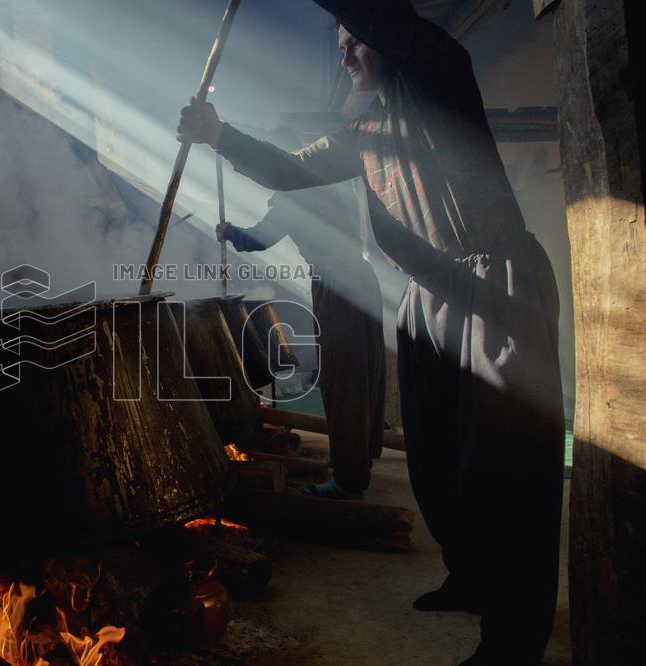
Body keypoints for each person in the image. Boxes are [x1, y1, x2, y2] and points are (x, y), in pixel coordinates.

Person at [177, 2, 564, 664]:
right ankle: (468, 576)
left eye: (356, 40)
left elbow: (383, 19)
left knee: (503, 471)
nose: (345, 53)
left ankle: (514, 636)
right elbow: (290, 169)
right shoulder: (362, 127)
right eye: (341, 44)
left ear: (389, 37)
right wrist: (220, 136)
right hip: (426, 295)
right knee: (436, 461)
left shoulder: (438, 76)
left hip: (491, 285)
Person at [218, 184, 385, 500]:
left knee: (342, 380)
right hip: (362, 278)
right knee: (364, 371)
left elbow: (260, 238)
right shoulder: (328, 187)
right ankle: (363, 453)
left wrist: (229, 232)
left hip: (338, 285)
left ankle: (349, 481)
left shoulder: (293, 193)